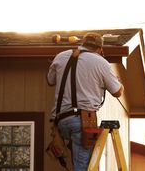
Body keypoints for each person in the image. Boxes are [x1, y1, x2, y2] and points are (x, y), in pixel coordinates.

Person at [46, 32, 124, 171]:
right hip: (82, 121)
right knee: (83, 167)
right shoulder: (101, 62)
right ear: (100, 49)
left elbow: (50, 80)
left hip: (60, 121)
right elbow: (117, 92)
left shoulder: (61, 56)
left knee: (76, 160)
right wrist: (118, 81)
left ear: (83, 44)